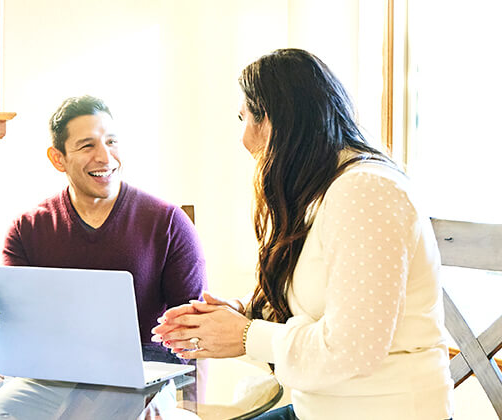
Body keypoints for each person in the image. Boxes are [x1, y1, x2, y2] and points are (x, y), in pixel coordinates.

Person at [151, 49, 453, 419]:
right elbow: (324, 294)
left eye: (246, 118)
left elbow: (353, 349)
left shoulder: (366, 192)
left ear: (281, 121)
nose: (244, 139)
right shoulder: (324, 191)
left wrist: (246, 335)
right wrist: (243, 311)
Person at [2, 95, 207, 361]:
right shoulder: (26, 231)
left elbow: (192, 333)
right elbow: (16, 328)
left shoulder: (169, 222)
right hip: (55, 379)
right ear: (58, 158)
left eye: (111, 142)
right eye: (87, 146)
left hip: (148, 379)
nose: (104, 156)